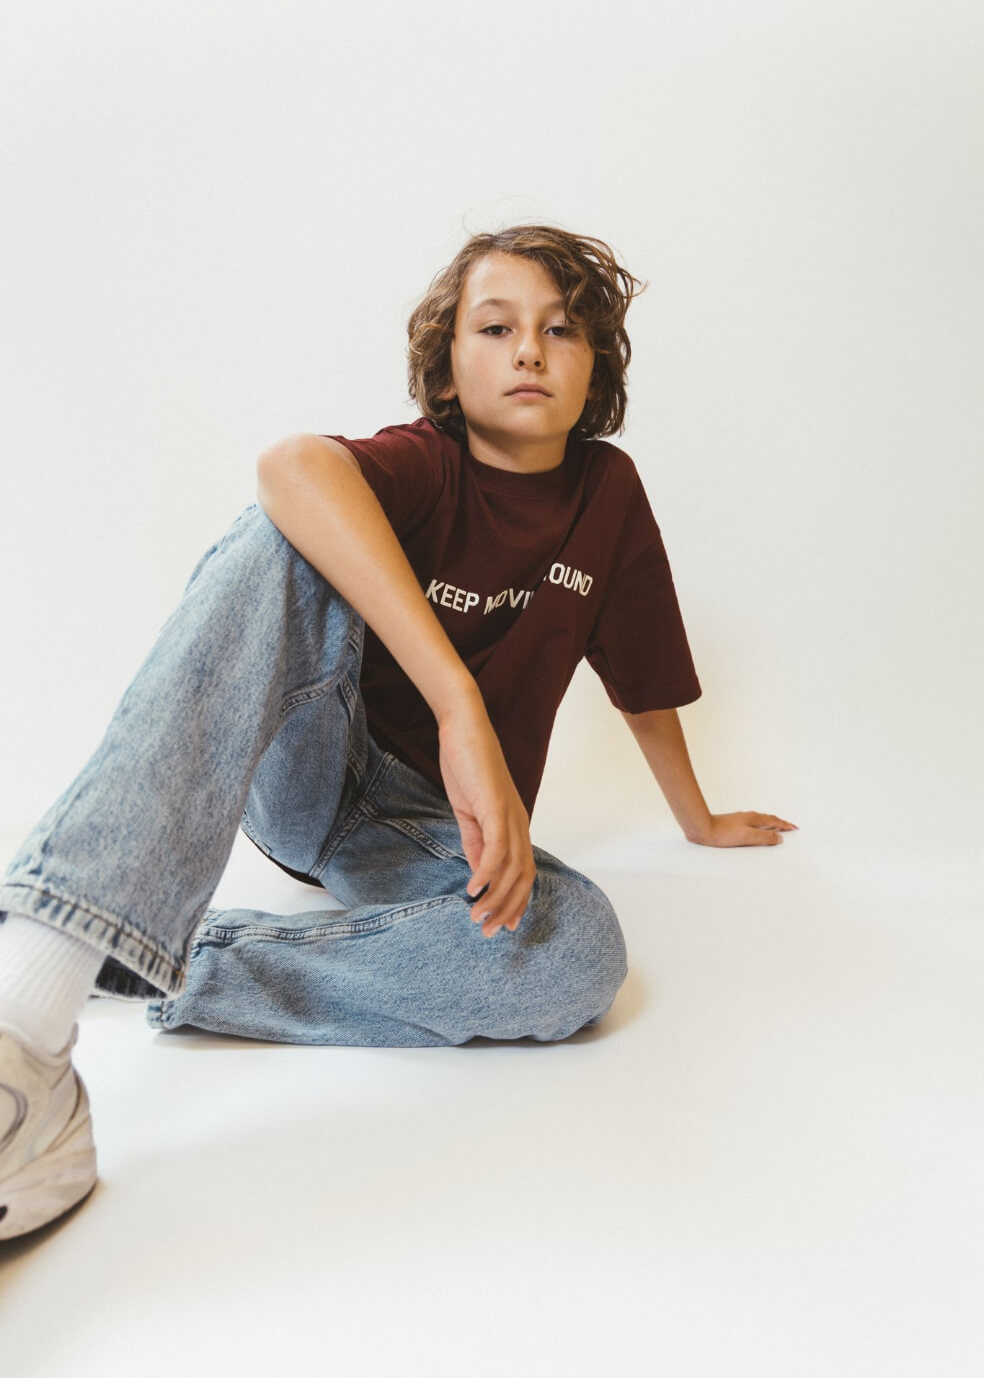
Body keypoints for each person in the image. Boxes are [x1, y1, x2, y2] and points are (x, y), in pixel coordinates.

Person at [0, 223, 797, 1240]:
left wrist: (699, 820)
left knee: (576, 951)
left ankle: (177, 957)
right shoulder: (429, 463)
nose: (530, 350)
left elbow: (643, 680)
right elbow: (290, 464)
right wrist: (460, 704)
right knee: (288, 533)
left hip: (420, 829)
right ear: (448, 370)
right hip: (310, 757)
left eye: (561, 329)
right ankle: (28, 1011)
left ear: (596, 366)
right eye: (496, 327)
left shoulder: (609, 494)